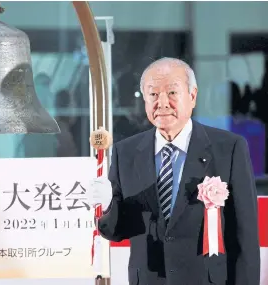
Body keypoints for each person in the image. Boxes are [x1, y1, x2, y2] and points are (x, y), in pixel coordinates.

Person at [88, 58, 260, 285]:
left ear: (192, 96)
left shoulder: (229, 148)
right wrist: (108, 206)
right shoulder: (126, 152)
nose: (162, 102)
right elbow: (118, 230)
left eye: (171, 92)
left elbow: (245, 236)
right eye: (152, 95)